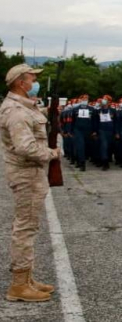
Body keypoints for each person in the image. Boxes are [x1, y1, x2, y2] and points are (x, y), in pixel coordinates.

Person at [1, 63, 60, 302]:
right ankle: (18, 285)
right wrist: (51, 154)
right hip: (26, 174)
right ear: (20, 82)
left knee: (29, 226)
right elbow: (25, 147)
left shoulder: (25, 107)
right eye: (32, 78)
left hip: (31, 174)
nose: (35, 82)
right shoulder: (16, 111)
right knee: (25, 228)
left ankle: (27, 278)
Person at [70, 94, 96, 171]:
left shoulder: (92, 109)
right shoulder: (75, 109)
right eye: (83, 99)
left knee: (86, 147)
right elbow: (73, 121)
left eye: (86, 99)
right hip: (78, 130)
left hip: (88, 130)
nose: (85, 100)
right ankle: (82, 163)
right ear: (80, 100)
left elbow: (94, 121)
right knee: (80, 146)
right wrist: (71, 130)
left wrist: (94, 130)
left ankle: (80, 159)